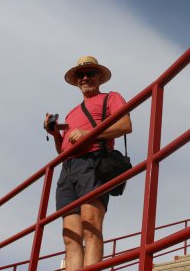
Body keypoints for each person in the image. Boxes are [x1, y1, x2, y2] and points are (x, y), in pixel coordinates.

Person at [44, 56, 132, 271]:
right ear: (76, 81)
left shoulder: (111, 97)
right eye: (80, 75)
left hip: (93, 162)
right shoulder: (72, 113)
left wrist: (88, 134)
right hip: (68, 169)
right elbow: (63, 149)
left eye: (90, 73)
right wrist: (56, 134)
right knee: (70, 236)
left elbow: (125, 125)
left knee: (90, 226)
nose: (85, 78)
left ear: (99, 77)